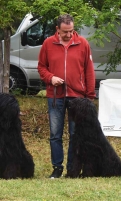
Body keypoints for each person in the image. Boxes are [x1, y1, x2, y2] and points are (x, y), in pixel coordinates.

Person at [37, 14, 96, 178]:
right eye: (65, 32)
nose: (69, 34)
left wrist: (90, 95)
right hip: (55, 97)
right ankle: (57, 168)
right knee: (55, 134)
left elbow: (89, 71)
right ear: (57, 29)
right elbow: (41, 67)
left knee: (75, 134)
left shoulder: (83, 44)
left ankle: (72, 169)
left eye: (71, 31)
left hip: (77, 97)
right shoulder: (48, 44)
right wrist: (51, 78)